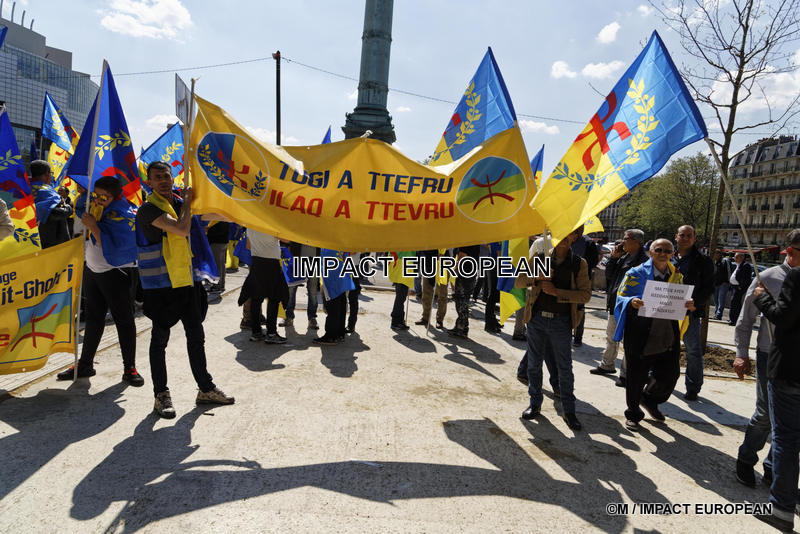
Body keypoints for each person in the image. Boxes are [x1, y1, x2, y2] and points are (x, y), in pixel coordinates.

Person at [136, 161, 234, 419]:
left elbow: (218, 215)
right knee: (159, 342)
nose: (163, 180)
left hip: (188, 283)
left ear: (172, 176)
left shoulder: (181, 203)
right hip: (161, 288)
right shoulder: (148, 209)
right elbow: (181, 229)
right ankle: (161, 395)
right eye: (157, 177)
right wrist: (189, 203)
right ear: (150, 182)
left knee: (196, 337)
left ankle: (205, 389)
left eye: (166, 175)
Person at [56, 177, 142, 385]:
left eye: (105, 197)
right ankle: (85, 364)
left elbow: (115, 246)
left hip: (115, 272)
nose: (99, 200)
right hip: (93, 270)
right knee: (93, 318)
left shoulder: (123, 214)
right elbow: (78, 211)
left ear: (116, 196)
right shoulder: (95, 207)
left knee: (124, 320)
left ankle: (129, 368)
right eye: (97, 195)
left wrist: (93, 226)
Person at [733, 230, 800, 489]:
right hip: (769, 355)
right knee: (765, 414)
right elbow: (745, 320)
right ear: (790, 252)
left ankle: (774, 467)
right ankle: (745, 458)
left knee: (791, 422)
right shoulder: (767, 278)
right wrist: (741, 354)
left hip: (796, 360)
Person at [615, 238, 694, 431]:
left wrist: (688, 306)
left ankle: (649, 399)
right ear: (650, 252)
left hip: (667, 330)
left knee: (671, 374)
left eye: (668, 251)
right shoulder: (635, 273)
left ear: (672, 254)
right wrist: (632, 301)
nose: (663, 253)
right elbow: (620, 296)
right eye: (658, 249)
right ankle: (633, 413)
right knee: (636, 376)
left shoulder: (677, 275)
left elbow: (680, 302)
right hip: (641, 331)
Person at [516, 227, 591, 431]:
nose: (565, 239)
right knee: (533, 365)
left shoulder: (579, 263)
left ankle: (569, 410)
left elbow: (585, 295)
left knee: (564, 368)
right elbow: (518, 280)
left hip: (562, 322)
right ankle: (535, 404)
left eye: (571, 234)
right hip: (537, 320)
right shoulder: (539, 257)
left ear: (576, 237)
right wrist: (537, 277)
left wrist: (557, 292)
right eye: (562, 233)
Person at [753, 238, 800, 532]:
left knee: (785, 439)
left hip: (790, 370)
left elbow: (783, 317)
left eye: (792, 252)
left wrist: (762, 298)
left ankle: (781, 509)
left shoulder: (796, 276)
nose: (789, 257)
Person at [591, 229, 647, 385]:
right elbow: (609, 275)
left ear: (637, 241)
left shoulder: (643, 261)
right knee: (611, 336)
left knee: (628, 342)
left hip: (631, 306)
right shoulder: (623, 257)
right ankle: (607, 365)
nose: (622, 242)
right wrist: (614, 258)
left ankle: (626, 374)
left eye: (626, 238)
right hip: (616, 303)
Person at [672, 225, 714, 401]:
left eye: (689, 235)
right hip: (666, 311)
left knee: (693, 351)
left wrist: (696, 304)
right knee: (662, 348)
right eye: (682, 235)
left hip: (690, 313)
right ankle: (658, 379)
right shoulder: (666, 255)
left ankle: (693, 387)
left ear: (694, 238)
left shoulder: (703, 261)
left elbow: (708, 287)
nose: (686, 238)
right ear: (676, 237)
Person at [243, 229, 289, 344]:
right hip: (271, 264)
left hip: (256, 262)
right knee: (274, 298)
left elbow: (248, 246)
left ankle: (256, 332)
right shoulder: (270, 224)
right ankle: (271, 333)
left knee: (256, 298)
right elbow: (287, 239)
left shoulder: (250, 225)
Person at [29, 160, 72, 248]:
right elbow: (57, 213)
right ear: (46, 174)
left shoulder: (22, 189)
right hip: (50, 243)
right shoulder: (46, 191)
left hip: (29, 240)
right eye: (51, 173)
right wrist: (69, 208)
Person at [570, 226, 599, 347]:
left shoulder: (588, 243)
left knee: (579, 309)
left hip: (581, 282)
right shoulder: (565, 240)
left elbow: (593, 262)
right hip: (566, 281)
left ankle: (578, 337)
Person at [448, 244, 480, 338]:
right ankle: (463, 327)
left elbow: (462, 256)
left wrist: (454, 268)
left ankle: (461, 328)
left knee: (461, 301)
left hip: (464, 273)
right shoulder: (475, 240)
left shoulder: (467, 241)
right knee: (464, 301)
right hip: (471, 273)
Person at [414, 249, 449, 329]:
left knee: (442, 294)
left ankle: (440, 320)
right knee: (426, 292)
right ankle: (425, 317)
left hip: (443, 261)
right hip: (428, 261)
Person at [728, 252, 754, 326]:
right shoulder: (738, 265)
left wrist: (740, 287)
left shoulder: (746, 265)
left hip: (738, 288)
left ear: (741, 258)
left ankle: (734, 320)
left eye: (736, 257)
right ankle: (733, 318)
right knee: (734, 303)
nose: (735, 259)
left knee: (735, 303)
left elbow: (746, 278)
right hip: (734, 287)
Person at [205, 220, 230, 293]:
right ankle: (221, 285)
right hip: (222, 242)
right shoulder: (224, 216)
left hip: (217, 242)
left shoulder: (219, 217)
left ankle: (217, 286)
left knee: (217, 265)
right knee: (221, 265)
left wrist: (208, 230)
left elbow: (220, 230)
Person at [484, 242, 503, 333]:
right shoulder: (499, 239)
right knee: (492, 296)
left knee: (493, 296)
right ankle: (489, 323)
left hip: (492, 265)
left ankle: (492, 320)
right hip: (495, 268)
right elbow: (499, 255)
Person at [712, 250, 733, 320]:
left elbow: (729, 271)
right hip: (716, 283)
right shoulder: (715, 262)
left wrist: (727, 281)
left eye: (715, 254)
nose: (714, 256)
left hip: (723, 284)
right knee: (716, 300)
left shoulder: (725, 261)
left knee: (721, 300)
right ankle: (716, 313)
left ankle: (718, 315)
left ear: (719, 254)